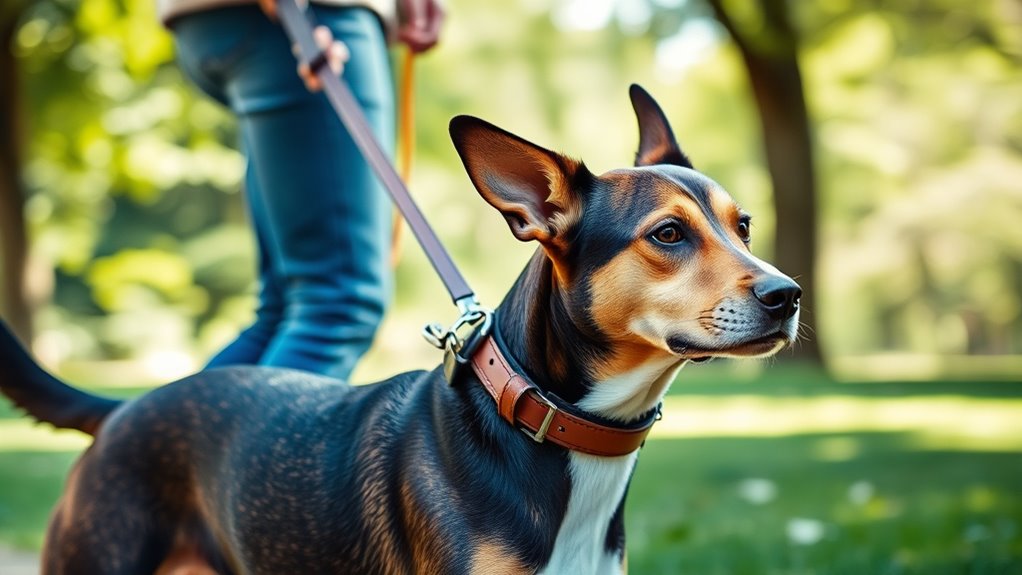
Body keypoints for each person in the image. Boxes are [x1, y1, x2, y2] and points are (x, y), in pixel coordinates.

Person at [155, 0, 444, 380]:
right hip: (304, 17)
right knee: (339, 308)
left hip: (231, 23)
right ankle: (165, 440)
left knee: (284, 312)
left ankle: (154, 439)